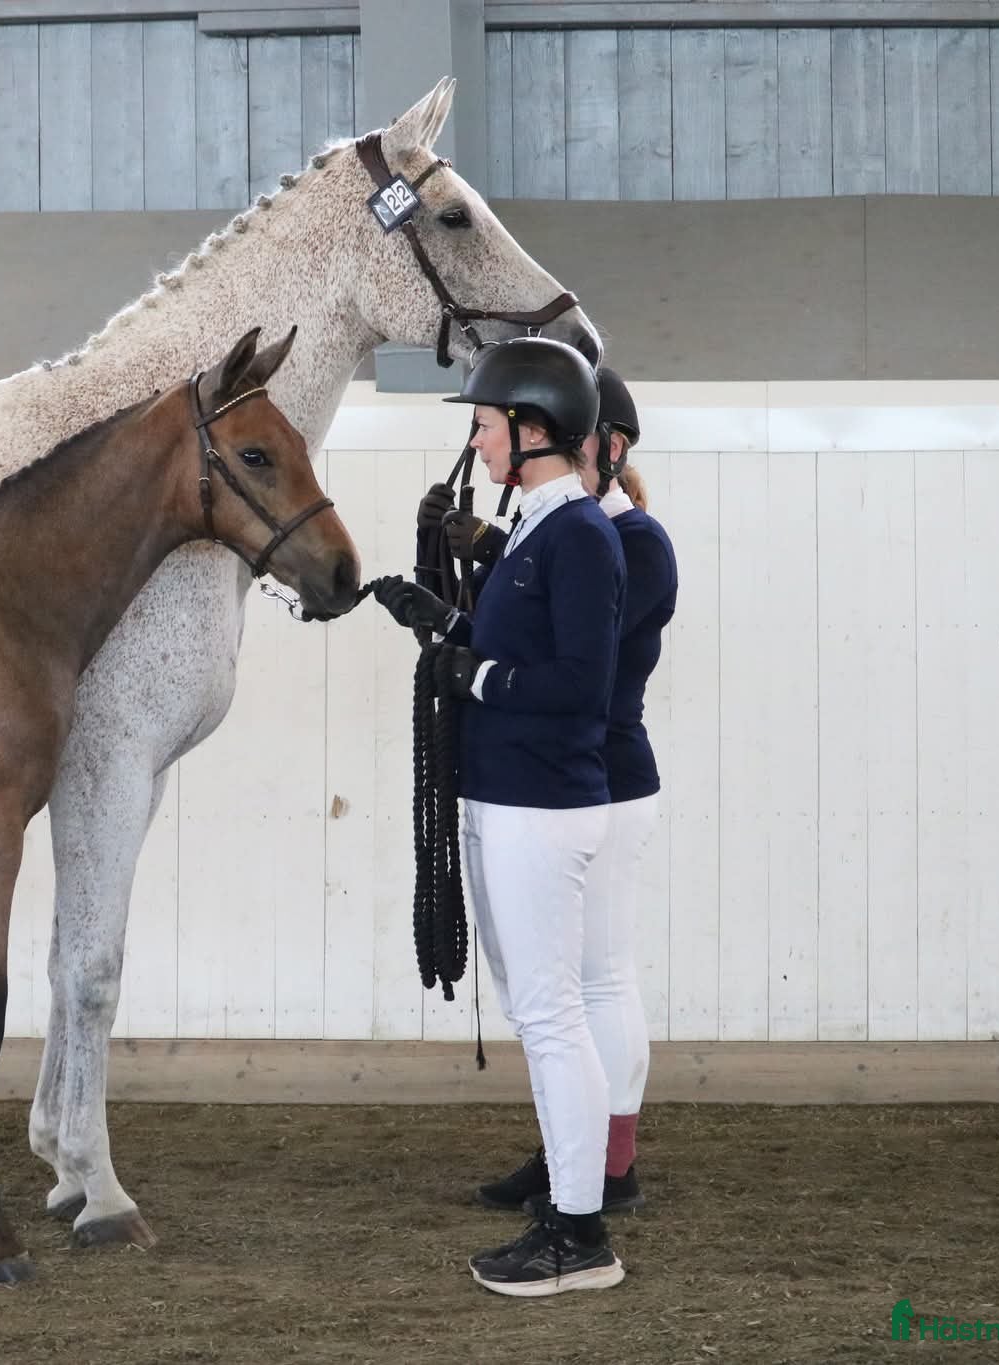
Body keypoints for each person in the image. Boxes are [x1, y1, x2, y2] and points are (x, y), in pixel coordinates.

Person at [369, 337, 627, 1297]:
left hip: (540, 806)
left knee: (552, 1015)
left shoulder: (580, 536)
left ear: (530, 430)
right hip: (508, 798)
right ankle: (567, 1207)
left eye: (483, 427)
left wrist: (473, 671)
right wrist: (442, 620)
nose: (475, 447)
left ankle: (579, 1232)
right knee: (540, 1012)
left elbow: (577, 685)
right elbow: (515, 639)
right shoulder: (537, 529)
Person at [439, 369, 677, 1221]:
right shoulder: (569, 530)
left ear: (600, 447)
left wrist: (487, 663)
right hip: (568, 770)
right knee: (575, 986)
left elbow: (578, 658)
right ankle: (576, 1153)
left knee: (596, 981)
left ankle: (607, 1164)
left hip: (595, 773)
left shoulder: (623, 541)